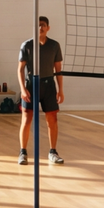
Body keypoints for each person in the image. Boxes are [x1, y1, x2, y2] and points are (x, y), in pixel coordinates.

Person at [19, 16, 63, 165]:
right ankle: (23, 152)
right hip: (31, 84)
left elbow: (58, 70)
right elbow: (20, 69)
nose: (40, 28)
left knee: (52, 119)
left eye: (43, 25)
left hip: (49, 85)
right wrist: (23, 89)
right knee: (27, 119)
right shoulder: (27, 45)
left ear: (48, 27)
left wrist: (60, 90)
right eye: (37, 26)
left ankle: (53, 152)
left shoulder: (54, 45)